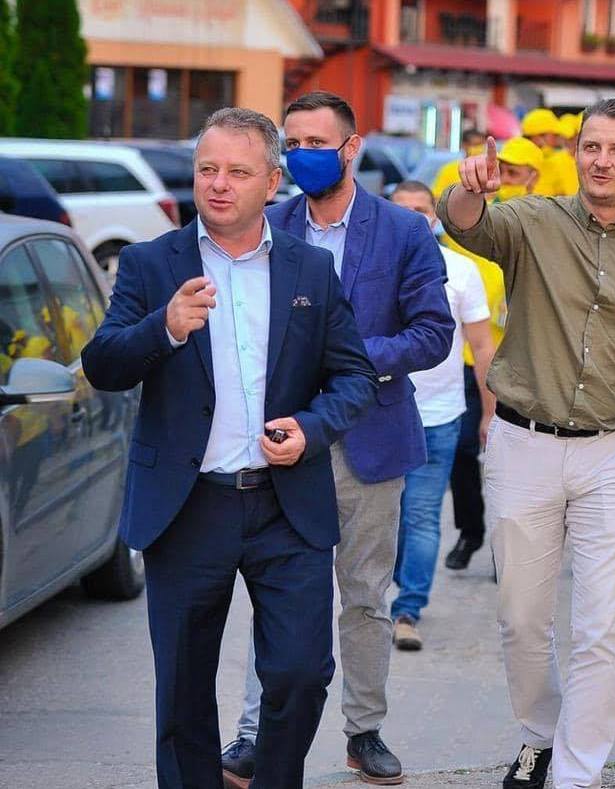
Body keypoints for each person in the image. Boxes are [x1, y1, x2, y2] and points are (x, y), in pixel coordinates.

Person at [80, 107, 379, 789]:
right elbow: (102, 364)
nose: (218, 184)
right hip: (189, 505)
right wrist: (164, 327)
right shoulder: (153, 264)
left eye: (237, 172)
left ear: (272, 182)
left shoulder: (309, 269)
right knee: (184, 685)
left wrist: (312, 429)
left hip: (285, 504)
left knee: (300, 672)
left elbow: (355, 376)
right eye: (207, 169)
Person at [438, 98, 615, 789]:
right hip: (523, 445)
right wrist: (470, 189)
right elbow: (464, 223)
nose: (602, 161)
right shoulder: (533, 222)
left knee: (601, 627)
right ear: (576, 152)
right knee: (521, 617)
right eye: (592, 146)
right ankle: (539, 735)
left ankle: (576, 774)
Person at [220, 91, 454, 788]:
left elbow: (433, 333)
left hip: (369, 442)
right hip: (284, 440)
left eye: (316, 143)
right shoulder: (268, 223)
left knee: (364, 597)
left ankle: (364, 730)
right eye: (291, 144)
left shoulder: (403, 231)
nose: (301, 156)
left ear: (351, 148)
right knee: (276, 596)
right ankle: (256, 735)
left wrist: (352, 358)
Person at [389, 179, 496, 650]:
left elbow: (483, 347)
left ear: (435, 217)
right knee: (384, 516)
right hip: (379, 415)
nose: (412, 217)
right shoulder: (368, 265)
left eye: (421, 209)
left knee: (422, 514)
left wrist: (489, 413)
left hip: (440, 416)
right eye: (402, 208)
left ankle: (407, 608)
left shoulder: (461, 270)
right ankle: (389, 591)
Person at [443, 139, 543, 571]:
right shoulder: (477, 215)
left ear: (533, 177)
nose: (506, 178)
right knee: (463, 451)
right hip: (470, 360)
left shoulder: (541, 223)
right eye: (503, 168)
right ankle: (470, 530)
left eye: (516, 172)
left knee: (517, 462)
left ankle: (513, 549)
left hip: (521, 366)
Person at [522, 108, 579, 196]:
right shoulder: (554, 161)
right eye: (554, 134)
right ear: (540, 137)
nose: (558, 137)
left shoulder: (517, 156)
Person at [432, 129, 488, 198]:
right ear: (464, 145)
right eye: (475, 145)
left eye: (481, 145)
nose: (479, 148)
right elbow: (437, 196)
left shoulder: (491, 168)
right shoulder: (449, 169)